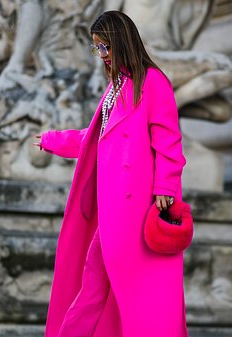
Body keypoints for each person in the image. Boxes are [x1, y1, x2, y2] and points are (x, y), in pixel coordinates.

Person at [34, 10, 188, 337]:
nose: (100, 55)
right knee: (94, 285)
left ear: (120, 42)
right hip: (112, 210)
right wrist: (51, 140)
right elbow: (92, 139)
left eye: (103, 47)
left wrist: (167, 188)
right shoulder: (116, 89)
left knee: (135, 295)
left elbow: (169, 140)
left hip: (139, 208)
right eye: (97, 49)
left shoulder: (153, 82)